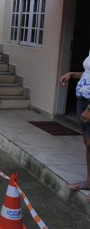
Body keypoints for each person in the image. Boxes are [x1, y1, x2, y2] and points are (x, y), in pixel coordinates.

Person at [60, 50, 90, 202]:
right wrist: (71, 74)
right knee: (87, 143)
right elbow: (87, 74)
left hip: (88, 106)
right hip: (82, 101)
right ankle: (89, 181)